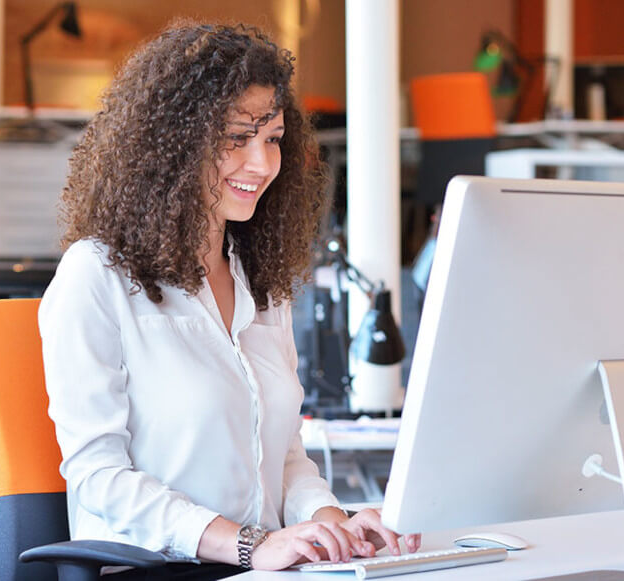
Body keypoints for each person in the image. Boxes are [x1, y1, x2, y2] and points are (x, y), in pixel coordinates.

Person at [38, 21, 419, 580]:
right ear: (173, 142)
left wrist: (333, 525)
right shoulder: (96, 275)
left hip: (265, 570)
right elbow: (99, 477)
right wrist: (248, 545)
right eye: (236, 138)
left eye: (272, 139)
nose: (262, 164)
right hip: (160, 568)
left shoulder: (259, 281)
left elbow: (286, 459)